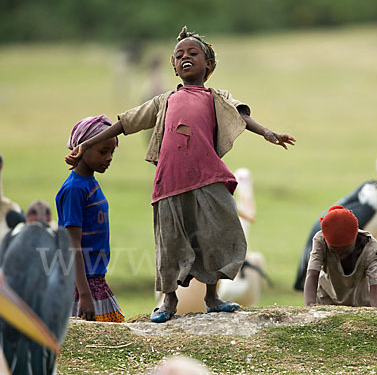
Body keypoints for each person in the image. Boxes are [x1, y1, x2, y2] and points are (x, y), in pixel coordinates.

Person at [65, 26, 296, 323]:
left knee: (220, 231)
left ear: (208, 64)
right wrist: (88, 142)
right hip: (170, 181)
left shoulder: (216, 97)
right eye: (179, 55)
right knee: (170, 242)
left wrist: (269, 133)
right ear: (174, 67)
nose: (185, 57)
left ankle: (213, 296)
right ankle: (168, 301)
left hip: (208, 177)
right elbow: (126, 123)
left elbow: (242, 115)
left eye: (193, 53)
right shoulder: (163, 101)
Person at [56, 115, 125, 322]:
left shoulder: (90, 183)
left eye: (112, 152)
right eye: (103, 152)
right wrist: (84, 295)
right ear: (82, 149)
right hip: (81, 285)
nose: (109, 157)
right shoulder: (75, 189)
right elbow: (72, 244)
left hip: (95, 279)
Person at [304, 205, 377, 308]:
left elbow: (375, 285)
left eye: (345, 251)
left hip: (361, 305)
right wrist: (310, 306)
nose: (339, 255)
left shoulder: (370, 248)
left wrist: (376, 314)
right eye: (334, 251)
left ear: (356, 240)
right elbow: (312, 274)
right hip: (325, 302)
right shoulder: (320, 240)